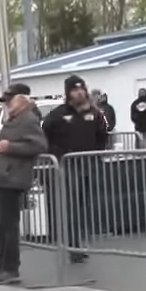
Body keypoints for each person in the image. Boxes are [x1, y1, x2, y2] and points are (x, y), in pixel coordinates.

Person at [0, 83, 46, 285]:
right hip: (2, 178)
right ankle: (0, 268)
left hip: (13, 179)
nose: (6, 104)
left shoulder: (28, 119)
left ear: (22, 100)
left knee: (8, 226)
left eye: (9, 100)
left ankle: (9, 268)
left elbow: (39, 144)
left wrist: (10, 146)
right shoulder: (15, 120)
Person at [42, 75, 109, 263]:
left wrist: (98, 154)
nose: (79, 93)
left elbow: (102, 134)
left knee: (83, 206)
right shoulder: (57, 114)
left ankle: (79, 240)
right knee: (70, 206)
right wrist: (55, 155)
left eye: (82, 89)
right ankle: (73, 246)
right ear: (68, 93)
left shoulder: (94, 113)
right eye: (75, 90)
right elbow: (45, 134)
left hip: (88, 165)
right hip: (68, 166)